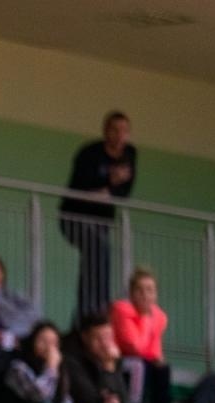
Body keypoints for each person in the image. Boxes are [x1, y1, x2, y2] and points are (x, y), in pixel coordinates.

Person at [62, 111, 136, 323]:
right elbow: (79, 193)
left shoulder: (130, 154)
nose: (120, 136)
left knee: (96, 256)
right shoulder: (89, 154)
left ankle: (93, 312)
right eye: (115, 130)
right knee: (98, 249)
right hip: (74, 216)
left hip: (101, 222)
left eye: (124, 131)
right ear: (105, 132)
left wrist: (106, 191)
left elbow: (123, 193)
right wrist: (109, 183)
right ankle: (93, 310)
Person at [109, 269, 170, 403]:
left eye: (150, 290)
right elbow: (134, 346)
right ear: (131, 293)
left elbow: (155, 351)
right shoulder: (122, 310)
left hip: (142, 359)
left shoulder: (159, 316)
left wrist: (156, 359)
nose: (145, 295)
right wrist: (146, 318)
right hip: (118, 359)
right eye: (139, 290)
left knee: (162, 366)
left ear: (156, 295)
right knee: (138, 365)